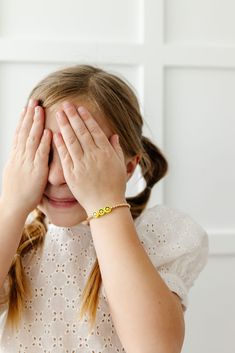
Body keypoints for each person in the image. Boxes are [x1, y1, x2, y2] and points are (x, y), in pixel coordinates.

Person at [0, 64, 209, 353]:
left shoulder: (159, 236)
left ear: (128, 166)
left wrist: (105, 204)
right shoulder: (16, 239)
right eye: (44, 154)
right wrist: (12, 204)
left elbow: (154, 348)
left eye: (80, 156)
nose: (56, 176)